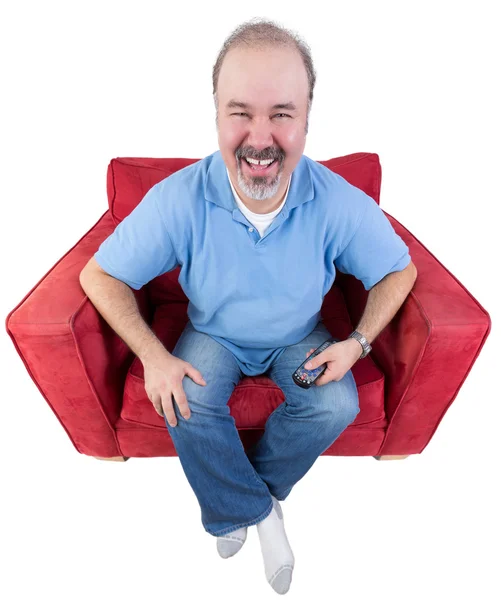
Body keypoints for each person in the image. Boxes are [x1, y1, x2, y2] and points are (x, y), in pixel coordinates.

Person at [79, 18, 417, 596]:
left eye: (282, 114)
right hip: (215, 333)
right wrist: (153, 357)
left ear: (307, 120)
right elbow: (99, 275)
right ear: (216, 115)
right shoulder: (180, 197)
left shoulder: (335, 199)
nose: (260, 137)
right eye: (241, 112)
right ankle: (262, 516)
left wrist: (356, 343)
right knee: (182, 399)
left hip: (297, 335)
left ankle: (242, 500)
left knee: (336, 402)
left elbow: (398, 270)